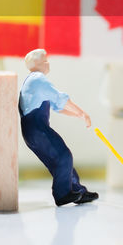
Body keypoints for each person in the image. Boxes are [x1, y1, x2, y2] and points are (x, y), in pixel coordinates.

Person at [19, 49, 98, 206]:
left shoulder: (32, 82)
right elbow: (60, 98)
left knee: (59, 161)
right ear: (38, 64)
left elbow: (56, 106)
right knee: (64, 156)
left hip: (31, 131)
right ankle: (62, 195)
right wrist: (83, 112)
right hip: (37, 128)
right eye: (45, 60)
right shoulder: (38, 79)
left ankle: (77, 191)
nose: (48, 63)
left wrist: (77, 115)